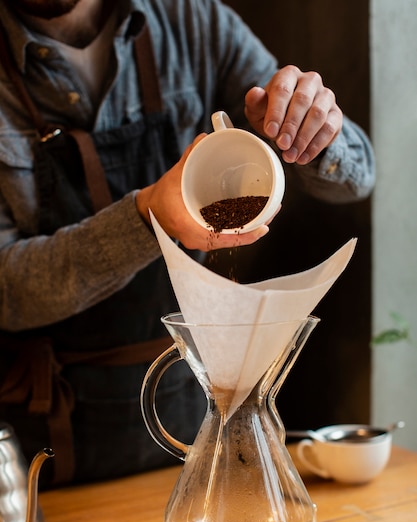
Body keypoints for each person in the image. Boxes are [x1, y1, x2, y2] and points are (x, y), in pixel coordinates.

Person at [0, 0, 375, 489]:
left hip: (195, 417)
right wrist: (147, 216)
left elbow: (358, 177)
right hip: (47, 455)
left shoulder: (192, 21)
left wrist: (309, 130)